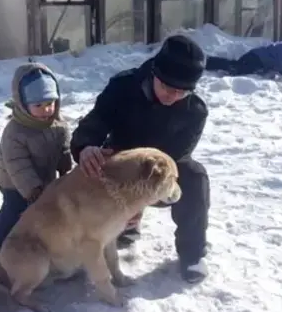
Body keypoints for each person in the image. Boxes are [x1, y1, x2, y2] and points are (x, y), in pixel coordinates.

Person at [69, 34, 211, 284]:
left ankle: (193, 253)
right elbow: (96, 121)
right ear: (154, 73)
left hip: (157, 173)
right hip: (120, 163)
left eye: (181, 92)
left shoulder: (194, 111)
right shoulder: (123, 87)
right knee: (89, 166)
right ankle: (87, 240)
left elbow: (173, 160)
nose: (172, 96)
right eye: (167, 87)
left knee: (194, 176)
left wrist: (137, 201)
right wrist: (86, 147)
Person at [0, 62, 72, 261]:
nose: (46, 110)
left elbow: (63, 146)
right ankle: (0, 244)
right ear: (23, 104)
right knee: (15, 214)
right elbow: (17, 165)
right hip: (15, 184)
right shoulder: (15, 132)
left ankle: (40, 245)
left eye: (50, 103)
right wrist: (33, 190)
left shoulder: (58, 124)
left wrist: (65, 162)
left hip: (45, 179)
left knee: (45, 216)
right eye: (38, 105)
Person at [205, 35, 282, 86]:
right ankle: (208, 62)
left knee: (236, 67)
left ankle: (209, 62)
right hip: (255, 59)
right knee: (235, 69)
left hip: (257, 59)